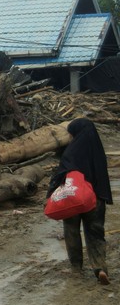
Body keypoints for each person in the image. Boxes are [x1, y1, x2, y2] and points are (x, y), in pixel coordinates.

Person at [47, 118, 113, 285]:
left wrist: (49, 194)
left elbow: (60, 174)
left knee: (71, 231)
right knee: (96, 233)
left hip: (73, 198)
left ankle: (76, 268)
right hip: (95, 199)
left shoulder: (71, 151)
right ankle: (100, 268)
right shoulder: (98, 151)